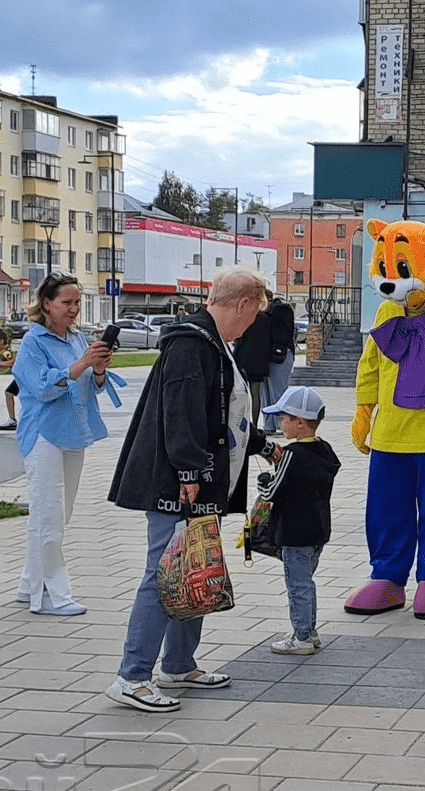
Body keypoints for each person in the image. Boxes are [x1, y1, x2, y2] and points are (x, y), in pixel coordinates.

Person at [106, 266, 277, 712]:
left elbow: (223, 411)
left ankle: (179, 663)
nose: (255, 322)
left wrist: (261, 445)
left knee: (194, 566)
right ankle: (132, 676)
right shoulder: (190, 344)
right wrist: (189, 474)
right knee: (164, 571)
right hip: (179, 482)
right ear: (242, 304)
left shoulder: (214, 345)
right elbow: (180, 414)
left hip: (199, 482)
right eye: (255, 312)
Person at [13, 272, 123, 616]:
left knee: (60, 513)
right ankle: (51, 594)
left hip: (74, 432)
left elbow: (92, 385)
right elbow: (42, 389)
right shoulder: (33, 342)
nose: (74, 309)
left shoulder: (78, 339)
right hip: (43, 434)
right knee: (49, 514)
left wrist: (99, 368)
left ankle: (28, 582)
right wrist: (79, 366)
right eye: (67, 303)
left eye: (77, 302)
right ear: (46, 304)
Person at [258, 386, 340, 654]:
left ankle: (301, 636)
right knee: (307, 581)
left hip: (294, 532)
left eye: (283, 418)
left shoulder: (292, 455)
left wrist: (264, 482)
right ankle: (310, 630)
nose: (280, 423)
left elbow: (272, 492)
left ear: (300, 423)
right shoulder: (324, 450)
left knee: (297, 585)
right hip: (318, 529)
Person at [263, 293, 297, 434]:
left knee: (276, 392)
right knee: (269, 392)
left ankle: (278, 425)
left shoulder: (278, 311)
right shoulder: (281, 310)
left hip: (279, 355)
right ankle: (271, 426)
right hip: (275, 355)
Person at [233, 301, 272, 420]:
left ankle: (242, 420)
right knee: (256, 392)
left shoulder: (247, 318)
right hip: (259, 359)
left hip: (244, 358)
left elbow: (238, 337)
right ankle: (254, 422)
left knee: (242, 391)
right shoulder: (266, 319)